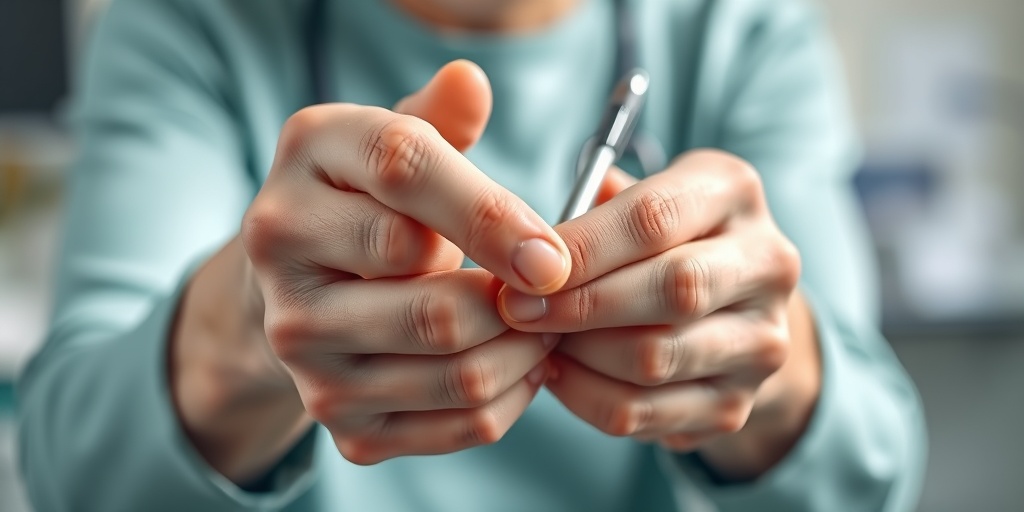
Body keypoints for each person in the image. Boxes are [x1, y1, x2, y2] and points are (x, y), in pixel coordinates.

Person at [18, 0, 926, 510]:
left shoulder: (745, 30)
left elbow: (877, 468)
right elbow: (69, 473)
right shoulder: (186, 25)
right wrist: (245, 339)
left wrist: (770, 369)